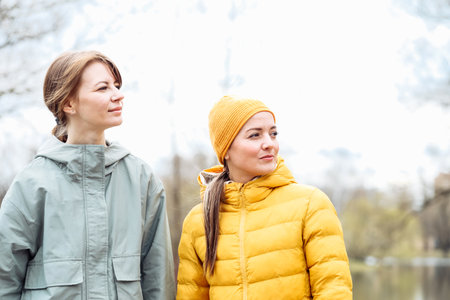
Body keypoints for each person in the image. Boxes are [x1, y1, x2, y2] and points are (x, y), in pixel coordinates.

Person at [0, 50, 176, 299]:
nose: (118, 95)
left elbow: (158, 280)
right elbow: (4, 280)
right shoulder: (32, 183)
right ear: (68, 103)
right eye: (103, 88)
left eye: (116, 86)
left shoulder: (141, 179)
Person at [176, 95, 352, 299]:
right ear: (226, 150)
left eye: (273, 133)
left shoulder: (310, 204)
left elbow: (333, 291)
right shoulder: (198, 221)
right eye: (255, 135)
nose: (269, 144)